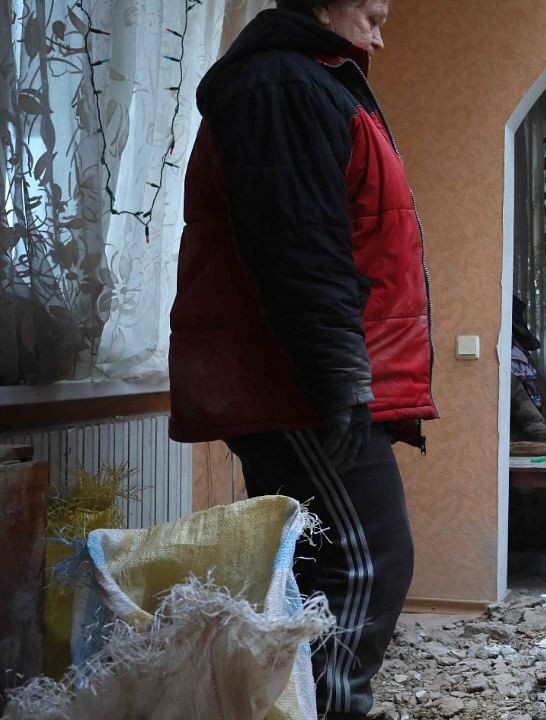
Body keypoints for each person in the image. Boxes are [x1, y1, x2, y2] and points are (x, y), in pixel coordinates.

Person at [168, 1, 436, 717]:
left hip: (304, 378)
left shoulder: (308, 80)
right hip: (299, 385)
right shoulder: (282, 84)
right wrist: (343, 378)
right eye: (373, 16)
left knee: (328, 570)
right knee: (366, 565)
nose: (381, 36)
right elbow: (299, 247)